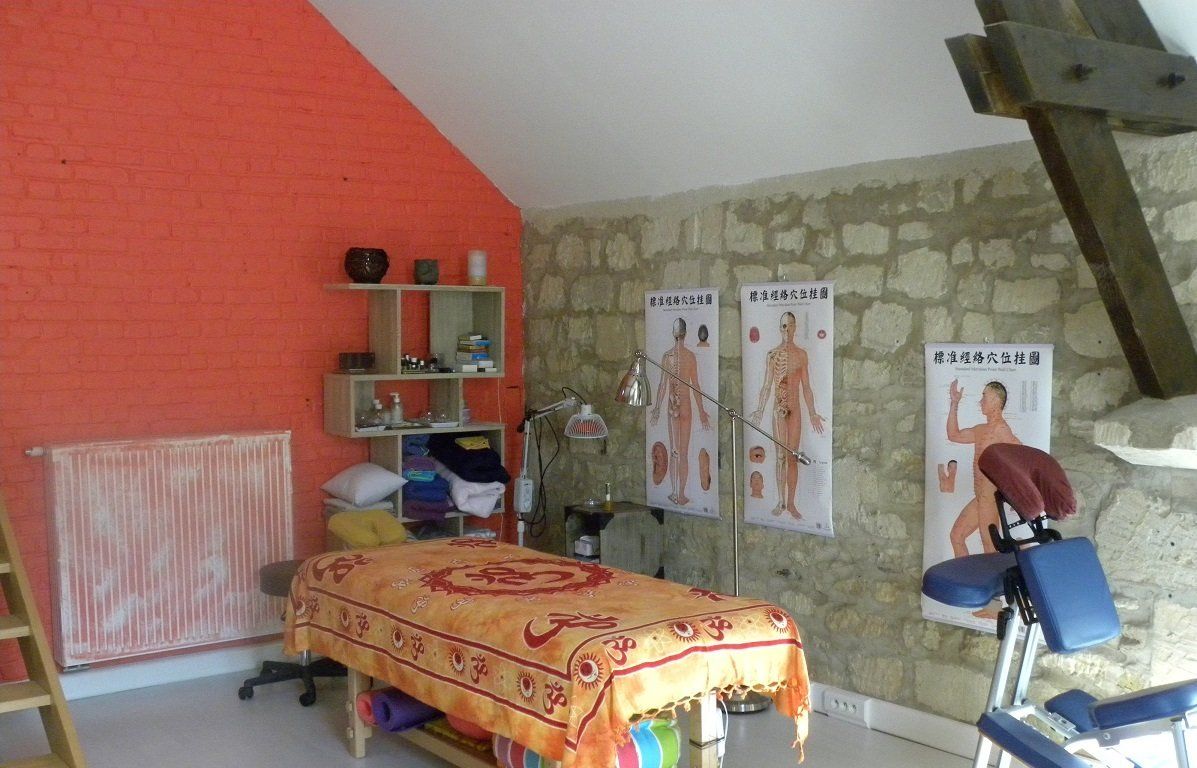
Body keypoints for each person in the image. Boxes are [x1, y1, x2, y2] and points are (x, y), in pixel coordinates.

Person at [748, 311, 825, 518]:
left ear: (795, 327)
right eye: (784, 326)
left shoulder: (801, 355)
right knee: (781, 456)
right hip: (778, 411)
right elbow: (766, 386)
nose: (787, 330)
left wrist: (813, 413)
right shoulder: (772, 355)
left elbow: (806, 387)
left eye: (790, 325)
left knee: (793, 456)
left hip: (795, 410)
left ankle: (790, 503)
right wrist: (760, 409)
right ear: (779, 328)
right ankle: (781, 501)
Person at [946, 379, 1020, 556]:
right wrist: (954, 403)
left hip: (990, 499)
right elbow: (953, 435)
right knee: (957, 536)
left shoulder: (1002, 430)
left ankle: (1006, 569)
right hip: (980, 498)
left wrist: (1018, 497)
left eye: (984, 397)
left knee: (990, 550)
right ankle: (965, 574)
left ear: (995, 400)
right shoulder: (981, 430)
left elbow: (1020, 459)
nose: (980, 401)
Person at [650, 318, 711, 506]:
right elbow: (695, 386)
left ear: (673, 333)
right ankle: (680, 493)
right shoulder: (690, 356)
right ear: (685, 334)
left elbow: (662, 386)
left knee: (675, 451)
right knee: (682, 453)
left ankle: (675, 492)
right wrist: (701, 411)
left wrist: (657, 409)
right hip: (684, 406)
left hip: (672, 407)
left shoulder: (667, 356)